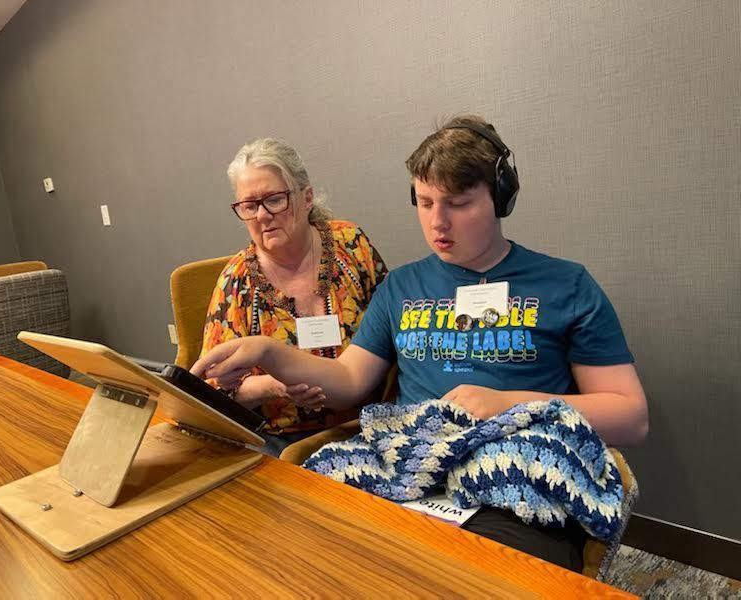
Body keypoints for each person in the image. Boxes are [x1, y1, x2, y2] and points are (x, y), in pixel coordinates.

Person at [192, 116, 648, 571]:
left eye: (458, 203)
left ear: (499, 199)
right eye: (425, 202)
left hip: (511, 485)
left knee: (460, 576)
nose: (438, 222)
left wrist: (508, 403)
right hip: (409, 472)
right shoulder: (402, 287)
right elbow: (349, 380)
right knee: (318, 551)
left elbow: (631, 416)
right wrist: (269, 353)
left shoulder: (565, 285)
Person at [199, 137, 387, 457]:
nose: (261, 215)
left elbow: (392, 326)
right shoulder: (237, 283)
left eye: (274, 199)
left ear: (307, 197)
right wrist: (277, 387)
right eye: (249, 205)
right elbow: (216, 391)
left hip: (364, 423)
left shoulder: (350, 245)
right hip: (281, 439)